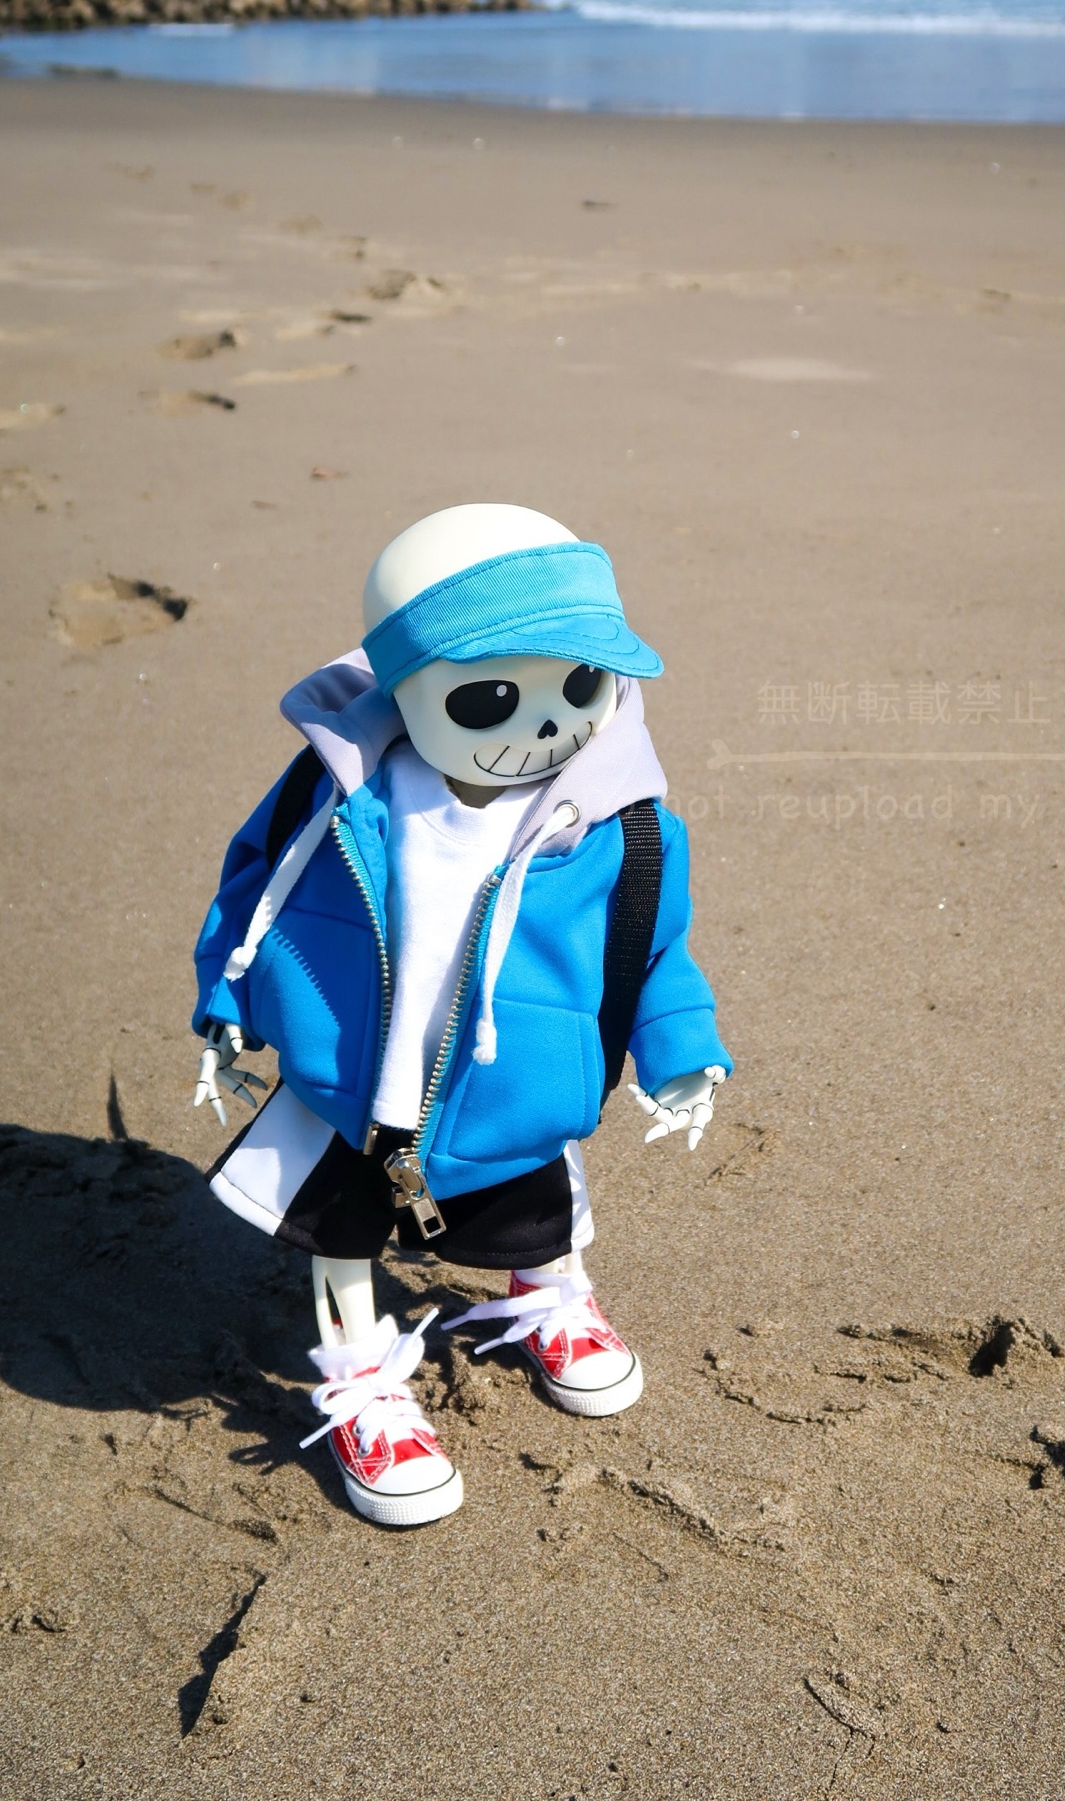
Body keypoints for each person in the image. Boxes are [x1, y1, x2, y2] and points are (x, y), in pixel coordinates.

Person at [191, 503, 730, 1526]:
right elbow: (252, 892)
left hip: (514, 1090)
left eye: (581, 685)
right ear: (403, 688)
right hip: (348, 1084)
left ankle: (547, 1295)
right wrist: (225, 997)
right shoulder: (339, 796)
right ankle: (359, 1380)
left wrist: (681, 1048)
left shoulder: (621, 828)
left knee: (533, 1211)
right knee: (341, 1236)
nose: (547, 724)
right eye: (487, 698)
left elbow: (655, 948)